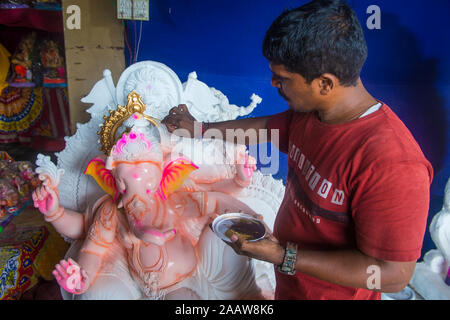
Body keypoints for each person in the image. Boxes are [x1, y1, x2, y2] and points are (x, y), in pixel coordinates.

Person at [161, 0, 433, 300]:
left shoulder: (391, 163)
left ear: (325, 83)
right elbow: (265, 128)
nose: (273, 82)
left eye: (284, 78)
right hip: (291, 287)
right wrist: (200, 129)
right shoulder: (313, 114)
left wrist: (283, 256)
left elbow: (393, 275)